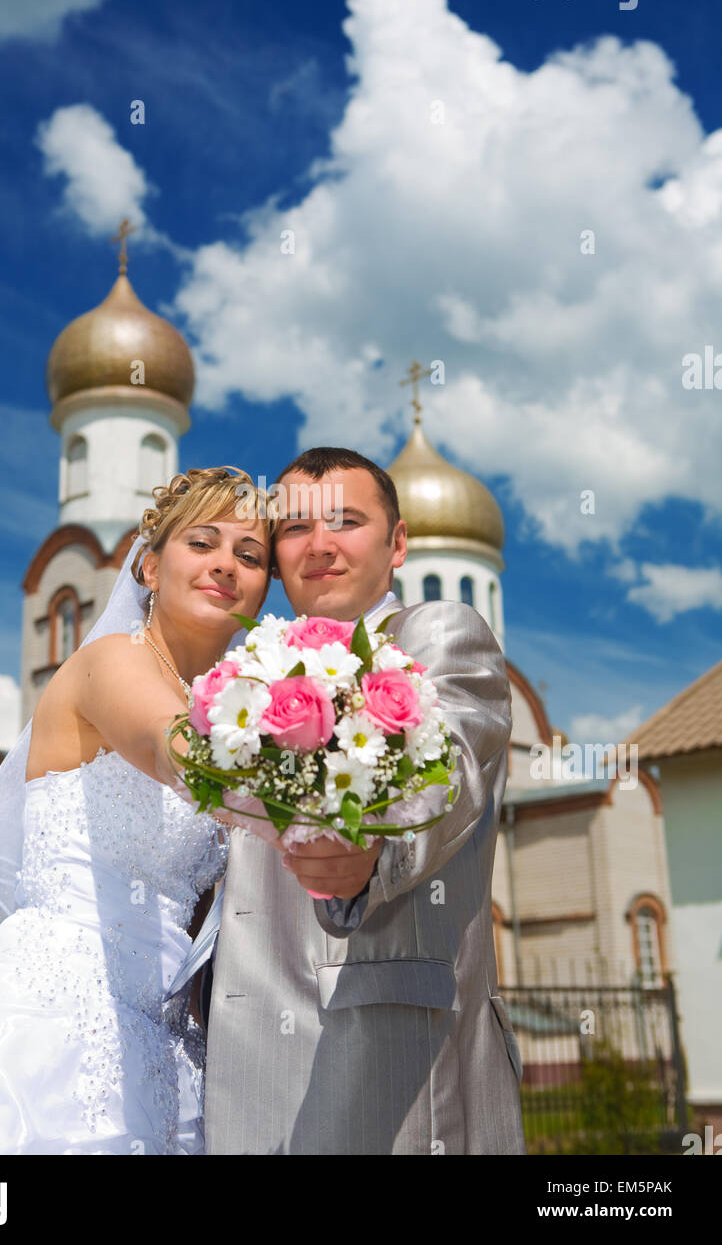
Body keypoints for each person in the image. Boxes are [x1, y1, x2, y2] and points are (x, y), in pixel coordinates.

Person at [0, 466, 282, 1154]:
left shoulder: (237, 707)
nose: (226, 565)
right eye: (202, 543)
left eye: (250, 555)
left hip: (167, 1037)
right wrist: (327, 775)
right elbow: (180, 753)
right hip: (48, 1014)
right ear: (148, 565)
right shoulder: (108, 662)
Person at [202, 447, 527, 1155]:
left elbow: (450, 774)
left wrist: (371, 853)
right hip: (233, 1063)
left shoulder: (436, 634)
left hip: (388, 1059)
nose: (319, 545)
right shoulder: (240, 675)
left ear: (398, 543)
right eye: (294, 529)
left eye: (346, 522)